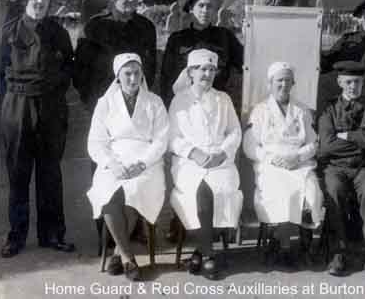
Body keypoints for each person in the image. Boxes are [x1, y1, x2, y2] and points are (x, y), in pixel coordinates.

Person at [0, 0, 75, 257]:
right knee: (18, 175)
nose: (40, 0)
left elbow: (69, 67)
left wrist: (52, 90)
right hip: (17, 107)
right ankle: (16, 237)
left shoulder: (59, 33)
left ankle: (52, 235)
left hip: (51, 107)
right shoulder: (7, 33)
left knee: (50, 173)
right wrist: (13, 102)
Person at [86, 53, 168, 281]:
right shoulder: (105, 103)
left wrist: (142, 163)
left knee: (134, 192)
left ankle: (118, 252)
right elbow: (96, 141)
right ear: (118, 77)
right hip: (115, 160)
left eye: (137, 73)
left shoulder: (155, 102)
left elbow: (162, 140)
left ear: (142, 74)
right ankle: (128, 256)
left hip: (147, 162)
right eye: (127, 74)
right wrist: (112, 164)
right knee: (108, 194)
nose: (133, 79)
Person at [168, 49, 243, 280]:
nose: (207, 74)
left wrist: (223, 152)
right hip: (189, 162)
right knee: (200, 191)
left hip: (220, 161)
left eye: (212, 69)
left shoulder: (224, 99)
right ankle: (210, 255)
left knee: (219, 190)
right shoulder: (180, 100)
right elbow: (172, 136)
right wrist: (193, 153)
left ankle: (200, 251)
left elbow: (235, 132)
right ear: (190, 72)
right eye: (202, 69)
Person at [243, 62, 324, 266]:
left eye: (288, 80)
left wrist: (297, 157)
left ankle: (305, 242)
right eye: (279, 80)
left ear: (293, 83)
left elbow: (314, 143)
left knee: (312, 192)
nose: (284, 85)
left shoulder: (302, 110)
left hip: (299, 164)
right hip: (272, 166)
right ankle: (283, 244)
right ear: (270, 83)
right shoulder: (260, 111)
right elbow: (250, 146)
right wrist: (272, 159)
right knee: (284, 193)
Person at [317, 61, 365, 277]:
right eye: (348, 82)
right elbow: (327, 145)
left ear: (363, 83)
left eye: (357, 82)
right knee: (334, 190)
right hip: (337, 167)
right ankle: (339, 251)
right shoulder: (329, 109)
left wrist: (347, 136)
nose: (352, 86)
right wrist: (362, 142)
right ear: (339, 82)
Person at [74, 0, 156, 112]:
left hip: (136, 99)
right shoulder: (95, 26)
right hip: (103, 99)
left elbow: (151, 65)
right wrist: (91, 99)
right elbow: (80, 68)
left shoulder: (146, 27)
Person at [160, 0, 243, 108]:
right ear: (191, 9)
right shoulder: (178, 39)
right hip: (184, 103)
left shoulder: (225, 37)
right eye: (201, 5)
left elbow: (244, 64)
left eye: (210, 7)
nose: (205, 10)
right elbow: (166, 76)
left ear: (215, 11)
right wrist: (168, 105)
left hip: (215, 103)